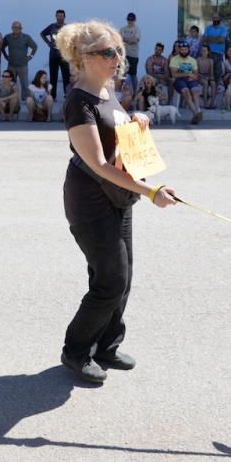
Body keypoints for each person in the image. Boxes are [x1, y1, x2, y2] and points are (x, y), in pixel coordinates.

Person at [56, 20, 177, 384]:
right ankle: (75, 351)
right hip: (91, 201)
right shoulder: (79, 102)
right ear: (83, 57)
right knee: (109, 280)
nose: (117, 58)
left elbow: (116, 136)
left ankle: (107, 345)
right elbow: (98, 163)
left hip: (118, 197)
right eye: (108, 52)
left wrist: (136, 119)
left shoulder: (107, 93)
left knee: (122, 278)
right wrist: (150, 192)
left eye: (119, 51)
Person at [2, 20, 37, 101]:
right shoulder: (8, 37)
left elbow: (34, 46)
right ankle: (11, 99)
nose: (16, 29)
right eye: (14, 27)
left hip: (23, 65)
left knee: (24, 84)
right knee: (10, 83)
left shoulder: (26, 37)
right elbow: (2, 46)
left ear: (21, 28)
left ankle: (25, 99)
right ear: (12, 28)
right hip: (11, 65)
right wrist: (5, 55)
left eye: (18, 27)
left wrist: (30, 57)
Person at [41, 9, 71, 100]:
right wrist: (48, 43)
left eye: (61, 16)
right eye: (58, 15)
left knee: (66, 77)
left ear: (64, 17)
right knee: (53, 77)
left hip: (64, 56)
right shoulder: (52, 26)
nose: (60, 17)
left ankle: (67, 94)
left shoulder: (68, 28)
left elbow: (73, 38)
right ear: (56, 16)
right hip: (53, 55)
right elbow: (42, 34)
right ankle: (53, 95)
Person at [169, 42, 202, 124]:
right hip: (179, 80)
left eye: (186, 50)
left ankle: (197, 111)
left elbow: (196, 74)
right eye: (182, 50)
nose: (184, 51)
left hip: (191, 79)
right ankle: (196, 113)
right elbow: (174, 74)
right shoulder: (174, 59)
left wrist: (194, 76)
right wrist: (187, 74)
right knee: (186, 91)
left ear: (188, 50)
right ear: (179, 50)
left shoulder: (192, 60)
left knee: (195, 90)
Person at [119, 13, 141, 82]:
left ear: (135, 20)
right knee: (121, 73)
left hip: (133, 55)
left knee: (133, 75)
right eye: (129, 19)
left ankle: (134, 92)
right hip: (123, 55)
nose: (130, 21)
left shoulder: (137, 29)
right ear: (126, 19)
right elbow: (119, 39)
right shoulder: (122, 29)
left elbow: (135, 40)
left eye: (132, 19)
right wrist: (130, 40)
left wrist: (124, 39)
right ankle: (121, 91)